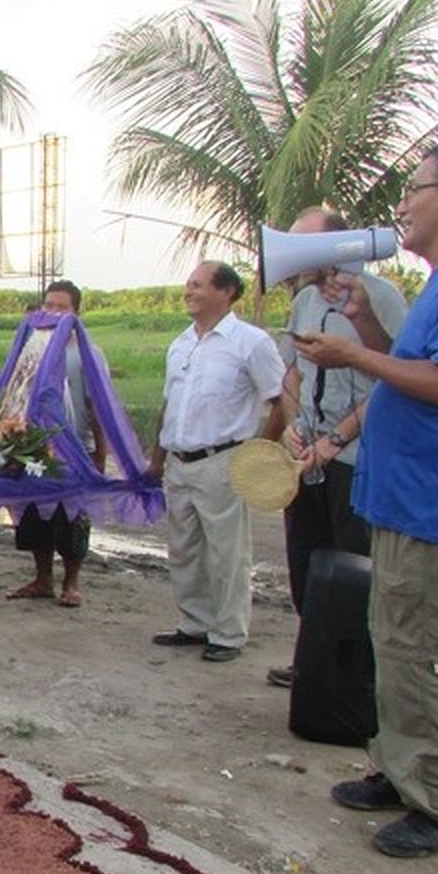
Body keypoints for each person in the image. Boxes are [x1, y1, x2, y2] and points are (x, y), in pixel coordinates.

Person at [298, 140, 438, 859]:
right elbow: (415, 367)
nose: (404, 202)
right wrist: (367, 324)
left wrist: (354, 355)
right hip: (407, 497)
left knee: (428, 653)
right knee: (396, 645)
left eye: (415, 186)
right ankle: (402, 772)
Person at [267, 208, 408, 688]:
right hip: (307, 455)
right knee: (306, 562)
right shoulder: (305, 300)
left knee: (351, 567)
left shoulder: (382, 299)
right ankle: (313, 660)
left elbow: (390, 380)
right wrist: (290, 426)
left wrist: (336, 439)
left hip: (352, 460)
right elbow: (293, 373)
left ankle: (349, 673)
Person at [146, 262, 286, 661]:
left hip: (223, 460)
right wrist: (157, 459)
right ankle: (194, 623)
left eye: (197, 285)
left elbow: (280, 402)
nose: (188, 291)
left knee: (227, 552)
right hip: (180, 461)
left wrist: (259, 455)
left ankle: (228, 633)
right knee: (184, 548)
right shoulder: (180, 344)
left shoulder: (251, 343)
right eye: (188, 284)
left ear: (226, 292)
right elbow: (170, 405)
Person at [7, 280, 110, 609]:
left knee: (72, 518)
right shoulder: (31, 349)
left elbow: (98, 408)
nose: (52, 312)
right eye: (48, 305)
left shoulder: (88, 355)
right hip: (34, 450)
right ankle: (42, 579)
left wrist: (99, 456)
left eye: (61, 307)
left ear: (76, 313)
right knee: (35, 514)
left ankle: (71, 582)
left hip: (75, 450)